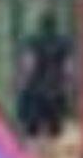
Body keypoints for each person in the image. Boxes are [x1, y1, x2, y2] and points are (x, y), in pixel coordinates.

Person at [15, 11, 72, 145]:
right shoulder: (64, 43)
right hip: (56, 89)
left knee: (32, 130)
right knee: (54, 130)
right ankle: (50, 150)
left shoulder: (33, 41)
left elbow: (29, 65)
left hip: (35, 90)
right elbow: (68, 68)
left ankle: (33, 151)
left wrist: (20, 82)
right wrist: (67, 85)